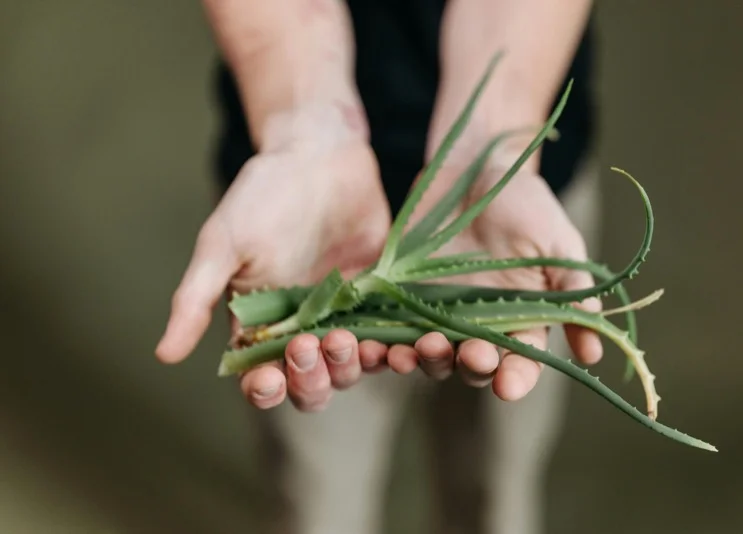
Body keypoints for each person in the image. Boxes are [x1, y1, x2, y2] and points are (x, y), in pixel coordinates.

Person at [156, 1, 603, 532]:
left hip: (506, 212)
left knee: (492, 491)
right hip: (299, 217)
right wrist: (302, 126)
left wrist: (495, 140)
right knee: (314, 497)